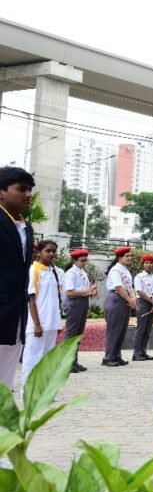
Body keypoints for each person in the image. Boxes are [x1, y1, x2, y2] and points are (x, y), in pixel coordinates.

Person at [0, 167, 33, 393]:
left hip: (16, 316)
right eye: (21, 189)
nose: (28, 194)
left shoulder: (26, 228)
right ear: (1, 192)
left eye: (30, 190)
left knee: (5, 383)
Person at [22, 239, 64, 388]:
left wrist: (57, 323)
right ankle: (27, 392)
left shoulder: (54, 271)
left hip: (52, 324)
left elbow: (56, 299)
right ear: (39, 252)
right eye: (48, 251)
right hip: (38, 324)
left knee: (47, 360)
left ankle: (41, 393)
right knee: (32, 359)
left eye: (54, 251)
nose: (51, 254)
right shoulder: (34, 269)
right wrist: (37, 324)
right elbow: (31, 298)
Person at [103, 246, 137, 367]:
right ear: (119, 257)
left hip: (124, 300)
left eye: (130, 256)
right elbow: (118, 287)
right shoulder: (116, 270)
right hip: (116, 299)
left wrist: (133, 299)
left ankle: (117, 355)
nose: (129, 258)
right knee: (114, 330)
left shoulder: (125, 270)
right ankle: (108, 357)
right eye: (126, 256)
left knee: (122, 330)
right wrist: (129, 300)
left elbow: (130, 286)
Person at [65, 248, 97, 373]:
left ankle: (74, 361)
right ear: (74, 260)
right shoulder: (71, 273)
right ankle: (67, 363)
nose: (84, 263)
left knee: (78, 334)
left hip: (83, 302)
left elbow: (86, 289)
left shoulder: (82, 272)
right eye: (82, 260)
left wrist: (92, 291)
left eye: (85, 261)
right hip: (74, 303)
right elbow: (69, 292)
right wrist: (88, 290)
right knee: (71, 334)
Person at [132, 254, 153, 361]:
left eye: (151, 263)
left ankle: (143, 352)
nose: (149, 265)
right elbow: (139, 292)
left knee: (148, 329)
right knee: (141, 329)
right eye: (146, 263)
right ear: (143, 264)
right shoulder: (139, 277)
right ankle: (136, 353)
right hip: (143, 303)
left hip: (152, 304)